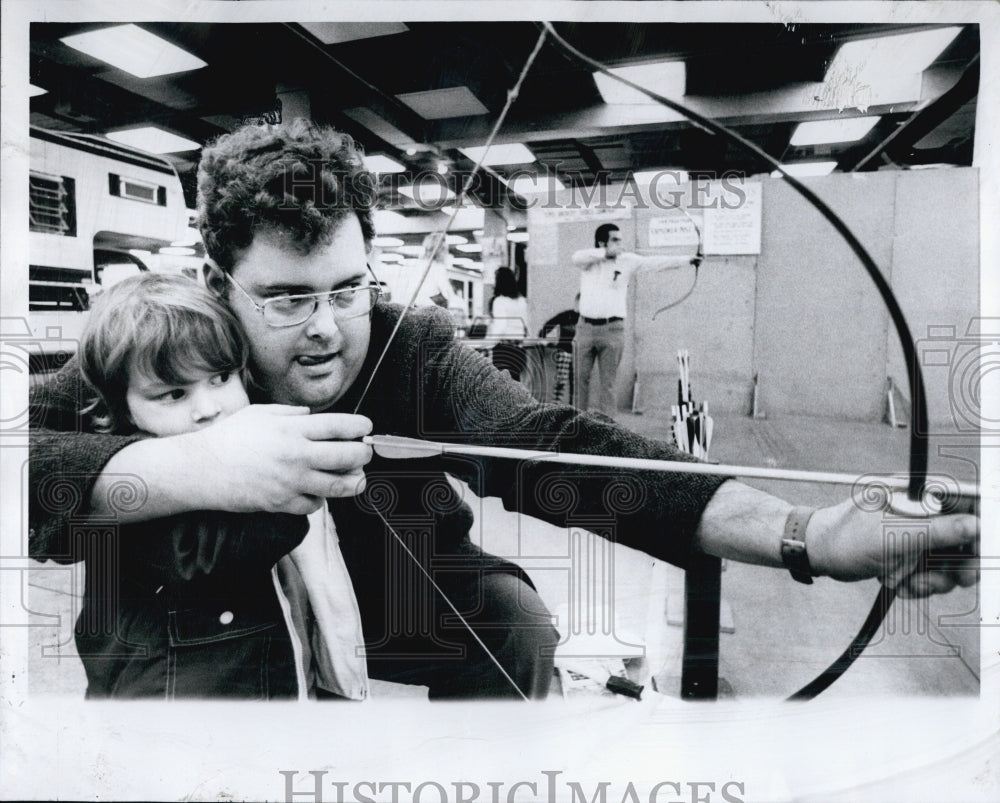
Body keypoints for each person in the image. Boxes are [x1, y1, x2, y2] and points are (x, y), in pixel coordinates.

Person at [29, 119, 978, 701]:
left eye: (348, 288)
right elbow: (25, 456)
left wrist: (808, 534)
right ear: (217, 282)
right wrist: (197, 467)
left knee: (512, 622)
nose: (326, 330)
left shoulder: (410, 344)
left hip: (397, 586)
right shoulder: (164, 350)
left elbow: (554, 449)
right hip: (209, 619)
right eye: (286, 299)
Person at [63, 272, 367, 699]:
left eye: (221, 378)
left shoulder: (237, 442)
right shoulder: (140, 487)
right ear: (123, 408)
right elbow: (206, 556)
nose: (208, 409)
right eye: (173, 394)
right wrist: (298, 479)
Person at [572, 223, 699, 414]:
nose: (619, 243)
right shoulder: (588, 260)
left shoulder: (627, 261)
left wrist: (688, 260)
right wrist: (605, 254)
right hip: (585, 328)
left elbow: (656, 263)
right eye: (615, 239)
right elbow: (576, 257)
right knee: (579, 379)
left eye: (620, 240)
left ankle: (607, 432)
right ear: (601, 242)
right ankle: (576, 425)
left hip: (612, 329)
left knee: (609, 383)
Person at [488, 266, 529, 383]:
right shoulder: (522, 301)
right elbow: (525, 324)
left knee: (502, 389)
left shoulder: (499, 301)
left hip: (504, 351)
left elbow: (501, 327)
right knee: (515, 385)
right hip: (520, 350)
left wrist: (488, 344)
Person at [538, 293, 580, 404]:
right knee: (561, 382)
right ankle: (556, 405)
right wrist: (543, 340)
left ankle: (572, 405)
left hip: (579, 354)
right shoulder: (567, 315)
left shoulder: (587, 320)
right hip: (564, 352)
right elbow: (548, 325)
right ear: (576, 302)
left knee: (575, 383)